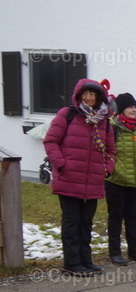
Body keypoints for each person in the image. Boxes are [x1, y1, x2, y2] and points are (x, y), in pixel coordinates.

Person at [43, 78, 116, 276]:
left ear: (99, 97)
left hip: (92, 181)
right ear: (78, 95)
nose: (89, 98)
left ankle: (85, 260)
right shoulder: (67, 114)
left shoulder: (104, 121)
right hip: (69, 178)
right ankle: (71, 263)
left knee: (86, 223)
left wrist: (106, 169)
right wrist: (61, 164)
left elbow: (111, 151)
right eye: (85, 94)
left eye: (93, 94)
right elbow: (50, 141)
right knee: (71, 222)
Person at [106, 93, 136, 265]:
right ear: (121, 109)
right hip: (116, 180)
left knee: (133, 216)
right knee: (115, 216)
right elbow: (106, 152)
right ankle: (115, 252)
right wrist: (113, 170)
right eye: (130, 107)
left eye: (135, 107)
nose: (134, 110)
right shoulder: (111, 127)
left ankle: (135, 251)